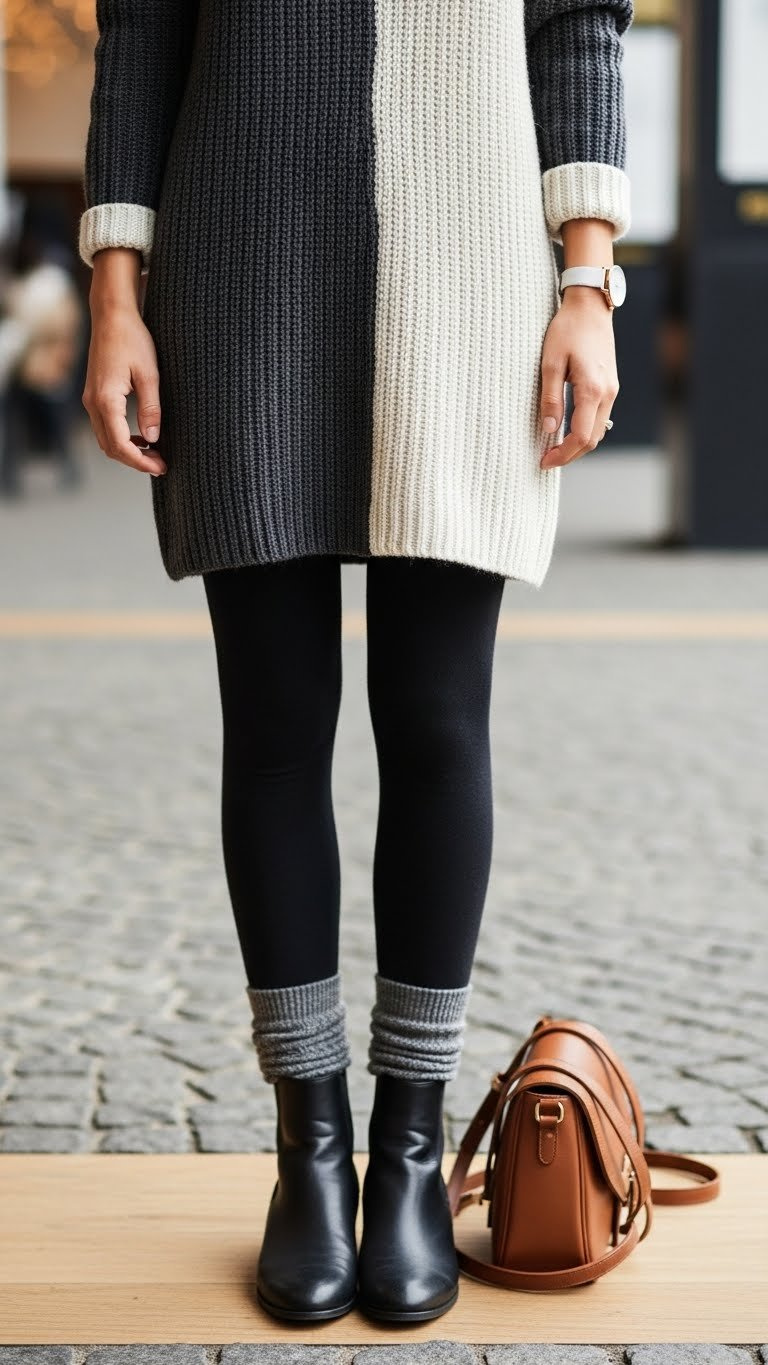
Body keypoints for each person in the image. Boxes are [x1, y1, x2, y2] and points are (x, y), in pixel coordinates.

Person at [78, 0, 634, 1326]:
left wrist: (588, 280)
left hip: (472, 254)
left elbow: (579, 24)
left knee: (438, 717)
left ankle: (409, 1149)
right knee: (273, 717)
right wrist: (116, 293)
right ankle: (310, 1144)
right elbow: (144, 31)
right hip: (239, 253)